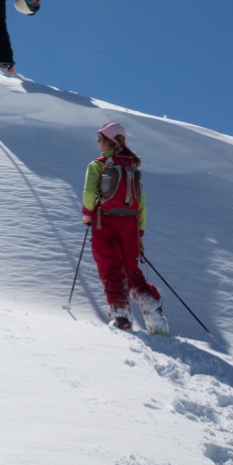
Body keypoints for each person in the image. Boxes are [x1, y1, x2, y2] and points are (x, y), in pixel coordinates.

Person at [81, 121, 167, 334]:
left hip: (105, 223)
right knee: (132, 271)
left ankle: (121, 317)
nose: (97, 142)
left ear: (107, 141)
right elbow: (142, 204)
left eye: (99, 138)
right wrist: (139, 234)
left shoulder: (97, 165)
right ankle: (154, 313)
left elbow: (90, 195)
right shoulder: (132, 168)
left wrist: (86, 215)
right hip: (130, 225)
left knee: (111, 269)